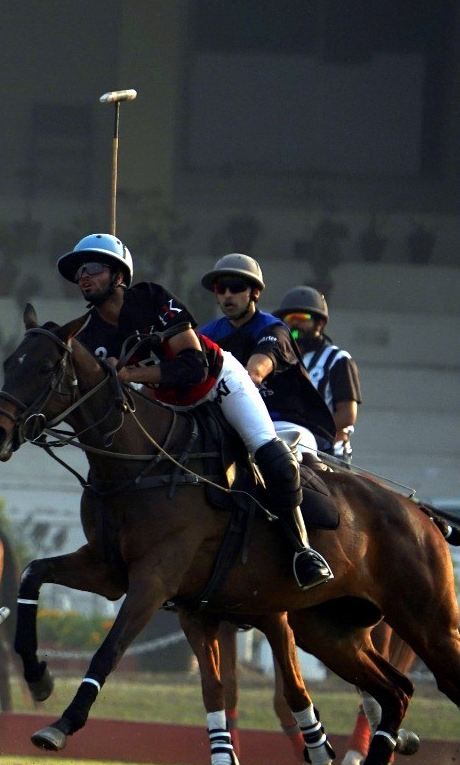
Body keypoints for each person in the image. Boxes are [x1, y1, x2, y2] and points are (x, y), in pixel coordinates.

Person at [39, 234, 331, 589]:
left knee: (271, 455)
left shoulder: (150, 298)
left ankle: (303, 551)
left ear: (118, 276)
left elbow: (193, 367)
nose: (83, 277)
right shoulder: (87, 334)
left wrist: (129, 374)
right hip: (170, 400)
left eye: (93, 268)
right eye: (79, 272)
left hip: (218, 383)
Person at [195, 255, 336, 454]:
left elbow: (253, 376)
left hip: (283, 424)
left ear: (255, 293)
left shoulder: (274, 330)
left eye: (236, 287)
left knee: (282, 465)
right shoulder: (206, 335)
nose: (227, 295)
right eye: (221, 288)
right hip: (229, 424)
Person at [276, 286, 361, 462]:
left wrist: (308, 436)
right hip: (287, 450)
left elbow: (347, 414)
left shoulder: (338, 359)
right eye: (289, 318)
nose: (294, 324)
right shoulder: (277, 358)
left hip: (328, 454)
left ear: (319, 323)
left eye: (301, 318)